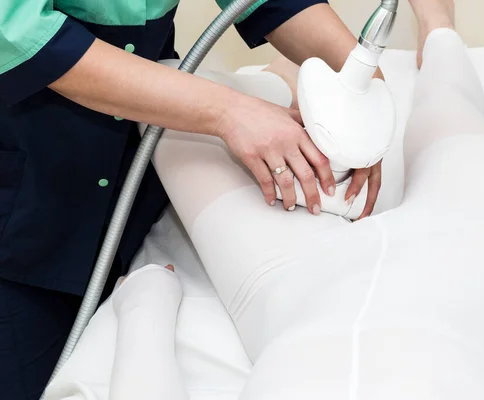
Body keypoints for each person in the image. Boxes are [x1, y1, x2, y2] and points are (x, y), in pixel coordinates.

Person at [94, 0, 484, 398]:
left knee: (171, 103)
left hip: (297, 289)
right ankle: (439, 31)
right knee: (451, 109)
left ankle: (285, 88)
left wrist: (146, 295)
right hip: (476, 273)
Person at [0, 1, 385, 398]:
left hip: (139, 178)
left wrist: (367, 85)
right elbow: (22, 34)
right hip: (27, 194)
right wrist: (230, 113)